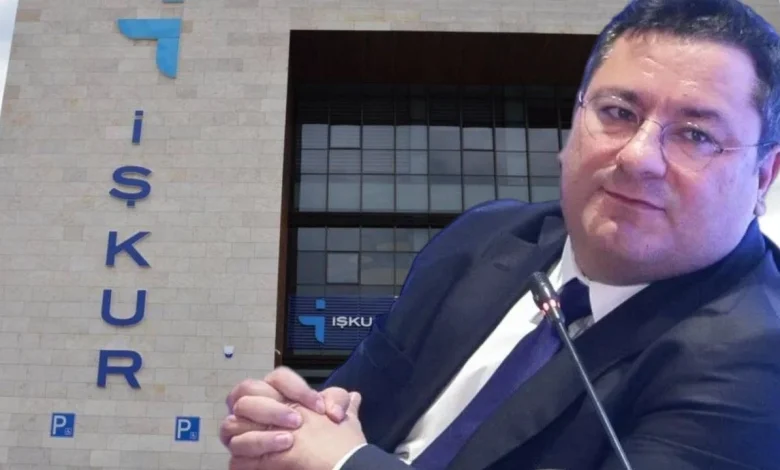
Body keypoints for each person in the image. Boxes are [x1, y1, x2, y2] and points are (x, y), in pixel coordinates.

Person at [220, 0, 780, 468]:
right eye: (617, 112)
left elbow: (342, 455)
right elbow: (348, 406)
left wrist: (345, 464)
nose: (637, 157)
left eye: (695, 135)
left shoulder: (758, 359)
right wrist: (285, 429)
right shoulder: (487, 235)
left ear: (763, 176)